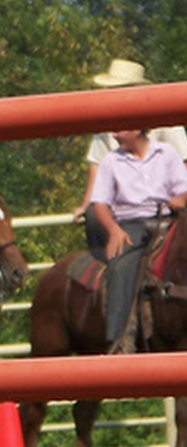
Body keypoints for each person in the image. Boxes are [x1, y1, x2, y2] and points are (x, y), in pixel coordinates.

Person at [84, 128, 187, 353]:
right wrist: (113, 230)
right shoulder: (111, 161)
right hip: (131, 223)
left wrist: (179, 198)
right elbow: (99, 204)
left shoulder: (167, 153)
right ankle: (120, 340)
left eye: (120, 129)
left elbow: (184, 187)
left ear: (137, 129)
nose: (113, 134)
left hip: (169, 218)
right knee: (120, 265)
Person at [77, 61, 187, 221]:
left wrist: (181, 197)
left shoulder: (165, 122)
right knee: (93, 217)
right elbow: (96, 168)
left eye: (118, 90)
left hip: (166, 202)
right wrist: (87, 204)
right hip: (123, 206)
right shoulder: (104, 128)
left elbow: (184, 162)